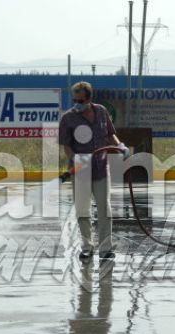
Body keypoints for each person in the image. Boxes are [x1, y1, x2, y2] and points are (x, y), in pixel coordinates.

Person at [59, 81, 129, 264]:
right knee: (82, 209)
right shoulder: (68, 118)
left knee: (104, 208)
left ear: (89, 99)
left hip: (100, 167)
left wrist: (119, 145)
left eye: (80, 100)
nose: (77, 103)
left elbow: (110, 133)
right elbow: (66, 146)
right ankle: (87, 247)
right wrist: (75, 159)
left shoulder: (101, 112)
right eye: (74, 100)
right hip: (81, 169)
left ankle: (105, 249)